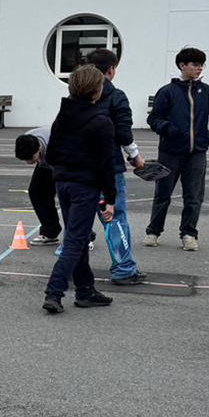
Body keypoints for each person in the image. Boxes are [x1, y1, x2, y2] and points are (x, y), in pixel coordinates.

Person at [41, 65, 118, 314]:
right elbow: (107, 164)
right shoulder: (101, 122)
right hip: (85, 187)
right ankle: (54, 291)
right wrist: (110, 198)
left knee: (80, 237)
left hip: (63, 183)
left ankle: (85, 290)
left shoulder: (62, 117)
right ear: (97, 91)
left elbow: (50, 153)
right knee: (75, 241)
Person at [144, 47, 209, 251]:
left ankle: (188, 234)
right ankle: (153, 231)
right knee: (163, 194)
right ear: (182, 66)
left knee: (193, 197)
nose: (199, 68)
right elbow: (153, 118)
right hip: (170, 153)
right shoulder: (167, 92)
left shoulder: (206, 91)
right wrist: (167, 128)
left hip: (197, 153)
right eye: (195, 64)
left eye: (201, 65)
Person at [89, 48, 146, 285]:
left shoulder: (77, 94)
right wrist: (135, 156)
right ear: (111, 70)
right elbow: (123, 131)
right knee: (113, 216)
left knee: (78, 218)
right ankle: (124, 268)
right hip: (107, 170)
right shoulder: (116, 96)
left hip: (78, 169)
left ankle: (68, 263)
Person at [13, 127, 61, 245]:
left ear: (39, 149)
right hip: (45, 162)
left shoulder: (56, 144)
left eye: (30, 158)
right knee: (37, 192)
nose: (28, 162)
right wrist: (38, 160)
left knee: (69, 197)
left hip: (68, 163)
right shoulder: (26, 140)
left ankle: (84, 237)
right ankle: (50, 232)